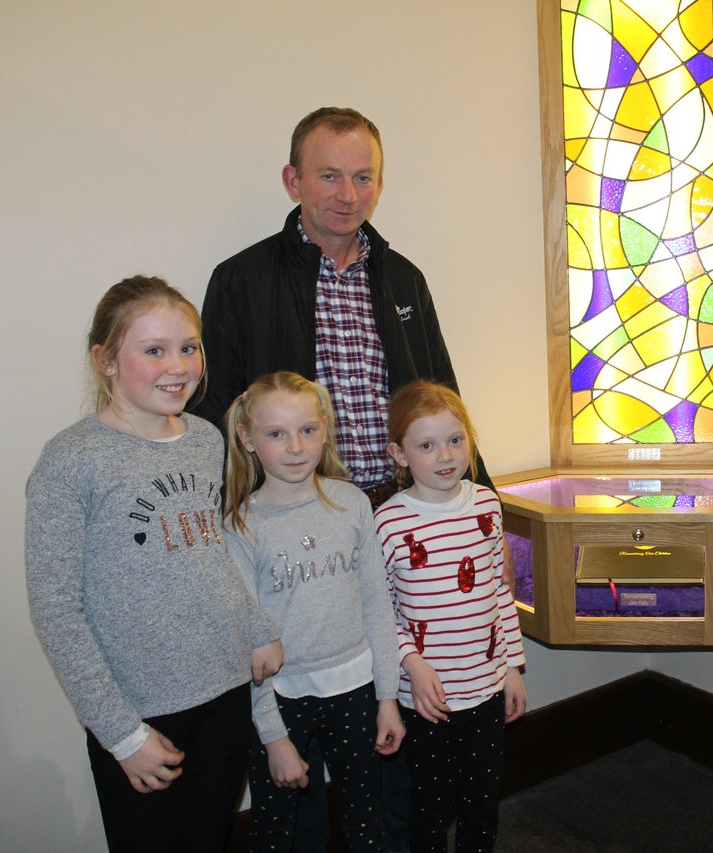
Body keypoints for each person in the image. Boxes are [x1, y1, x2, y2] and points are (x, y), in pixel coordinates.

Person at [194, 105, 489, 851]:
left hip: (398, 522)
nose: (347, 193)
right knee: (295, 729)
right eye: (329, 175)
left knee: (391, 710)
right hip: (297, 533)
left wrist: (481, 520)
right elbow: (212, 422)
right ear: (293, 179)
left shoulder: (405, 277)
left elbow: (440, 393)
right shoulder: (241, 280)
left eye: (364, 177)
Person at [25, 276, 284, 853]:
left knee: (209, 837)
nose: (179, 365)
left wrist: (257, 628)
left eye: (189, 347)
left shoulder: (201, 438)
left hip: (225, 691)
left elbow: (208, 550)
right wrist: (122, 735)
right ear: (106, 360)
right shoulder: (72, 461)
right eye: (154, 350)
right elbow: (56, 610)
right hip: (141, 711)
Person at [222, 372, 407, 852]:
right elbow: (248, 641)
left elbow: (376, 605)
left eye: (307, 429)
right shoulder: (240, 526)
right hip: (280, 702)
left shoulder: (350, 504)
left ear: (325, 428)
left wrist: (387, 698)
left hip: (355, 691)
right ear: (246, 438)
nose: (296, 446)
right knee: (280, 829)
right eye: (276, 433)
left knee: (365, 819)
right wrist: (272, 738)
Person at [375, 381, 527, 853]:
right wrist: (412, 666)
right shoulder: (388, 522)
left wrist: (512, 667)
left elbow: (498, 592)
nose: (445, 455)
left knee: (481, 803)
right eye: (427, 445)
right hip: (426, 697)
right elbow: (379, 612)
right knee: (431, 806)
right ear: (399, 454)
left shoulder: (485, 504)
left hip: (484, 687)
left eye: (455, 440)